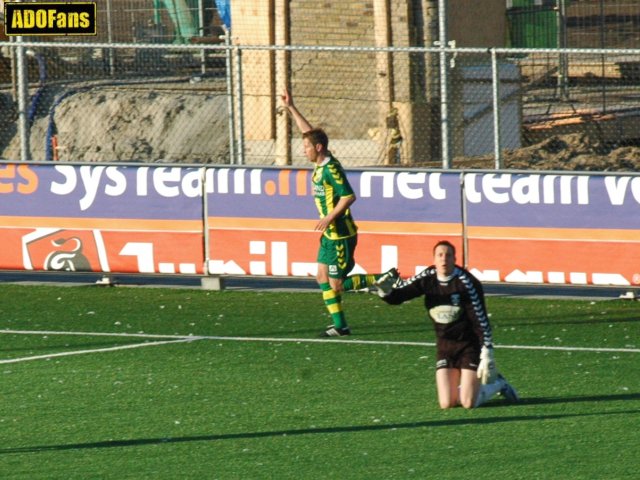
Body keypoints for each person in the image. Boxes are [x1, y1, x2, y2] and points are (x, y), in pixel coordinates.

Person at [280, 89, 399, 337]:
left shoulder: (331, 170)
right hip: (329, 236)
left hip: (341, 235)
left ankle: (381, 280)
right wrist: (291, 107)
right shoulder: (322, 159)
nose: (304, 150)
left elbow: (348, 195)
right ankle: (341, 326)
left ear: (318, 148)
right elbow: (309, 133)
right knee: (321, 276)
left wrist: (328, 217)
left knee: (336, 284)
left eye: (307, 147)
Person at [375, 240, 519, 408]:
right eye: (440, 255)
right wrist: (385, 291)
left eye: (448, 255)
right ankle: (469, 385)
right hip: (445, 346)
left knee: (467, 403)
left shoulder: (467, 283)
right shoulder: (427, 278)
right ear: (434, 259)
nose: (444, 259)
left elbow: (480, 320)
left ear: (455, 259)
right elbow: (399, 296)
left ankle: (497, 384)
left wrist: (487, 351)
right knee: (446, 403)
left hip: (468, 346)